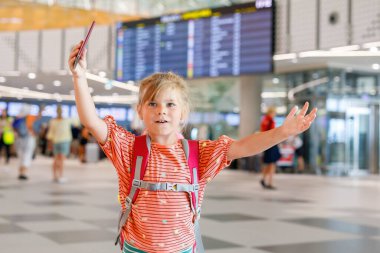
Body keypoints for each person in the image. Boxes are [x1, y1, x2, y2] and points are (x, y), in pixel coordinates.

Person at [69, 42, 317, 253]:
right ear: (140, 111)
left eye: (170, 104)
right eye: (152, 103)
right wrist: (79, 77)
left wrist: (283, 132)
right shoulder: (129, 149)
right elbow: (92, 121)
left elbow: (242, 146)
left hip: (184, 249)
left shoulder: (199, 154)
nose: (161, 110)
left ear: (183, 113)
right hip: (136, 248)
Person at [13, 104, 44, 180]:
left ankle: (21, 172)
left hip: (20, 139)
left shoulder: (18, 118)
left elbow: (14, 128)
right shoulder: (29, 118)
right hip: (28, 139)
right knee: (26, 156)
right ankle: (23, 173)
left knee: (21, 157)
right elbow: (38, 119)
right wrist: (41, 110)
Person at [47, 105, 73, 183]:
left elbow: (50, 134)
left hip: (56, 141)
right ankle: (60, 176)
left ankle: (55, 176)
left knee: (55, 159)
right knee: (61, 160)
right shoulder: (67, 120)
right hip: (64, 142)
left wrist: (50, 143)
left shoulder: (53, 121)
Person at [260, 107, 281, 190]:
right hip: (271, 144)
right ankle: (270, 182)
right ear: (270, 113)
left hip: (268, 144)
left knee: (269, 163)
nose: (274, 114)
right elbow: (271, 133)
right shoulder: (269, 121)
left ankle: (264, 179)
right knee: (272, 164)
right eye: (273, 112)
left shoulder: (265, 120)